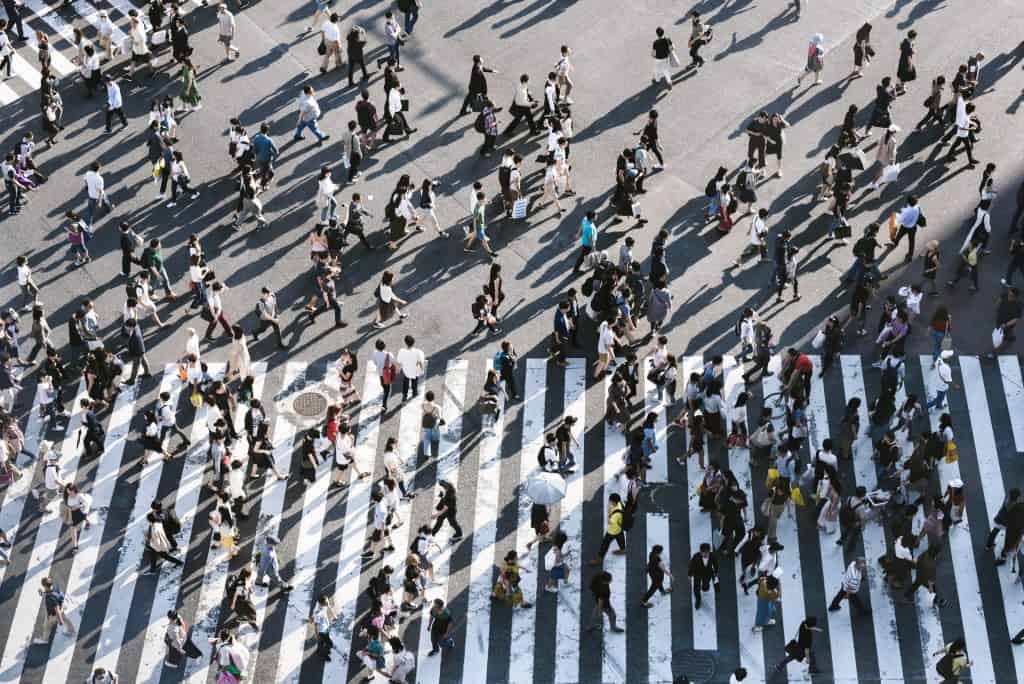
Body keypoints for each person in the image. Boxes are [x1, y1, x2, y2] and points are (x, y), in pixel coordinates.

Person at [31, 577, 76, 644]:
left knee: (46, 626)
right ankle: (71, 631)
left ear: (45, 586)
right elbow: (49, 593)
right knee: (66, 619)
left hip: (53, 614)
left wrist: (60, 620)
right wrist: (42, 593)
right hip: (61, 609)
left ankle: (45, 639)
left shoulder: (50, 598)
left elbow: (56, 609)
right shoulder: (55, 587)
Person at [590, 493, 627, 565]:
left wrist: (609, 514)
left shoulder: (616, 514)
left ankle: (599, 559)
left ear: (614, 502)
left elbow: (610, 522)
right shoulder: (620, 505)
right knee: (620, 538)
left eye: (610, 501)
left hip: (612, 531)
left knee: (605, 544)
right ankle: (623, 549)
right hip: (619, 528)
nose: (609, 502)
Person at [687, 542, 719, 610]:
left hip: (707, 573)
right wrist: (689, 574)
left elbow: (716, 564)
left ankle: (705, 587)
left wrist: (716, 572)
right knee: (696, 588)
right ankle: (698, 600)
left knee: (705, 585)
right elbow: (691, 565)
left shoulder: (712, 556)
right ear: (700, 552)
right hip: (697, 574)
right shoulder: (696, 556)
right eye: (703, 553)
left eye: (707, 553)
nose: (705, 554)